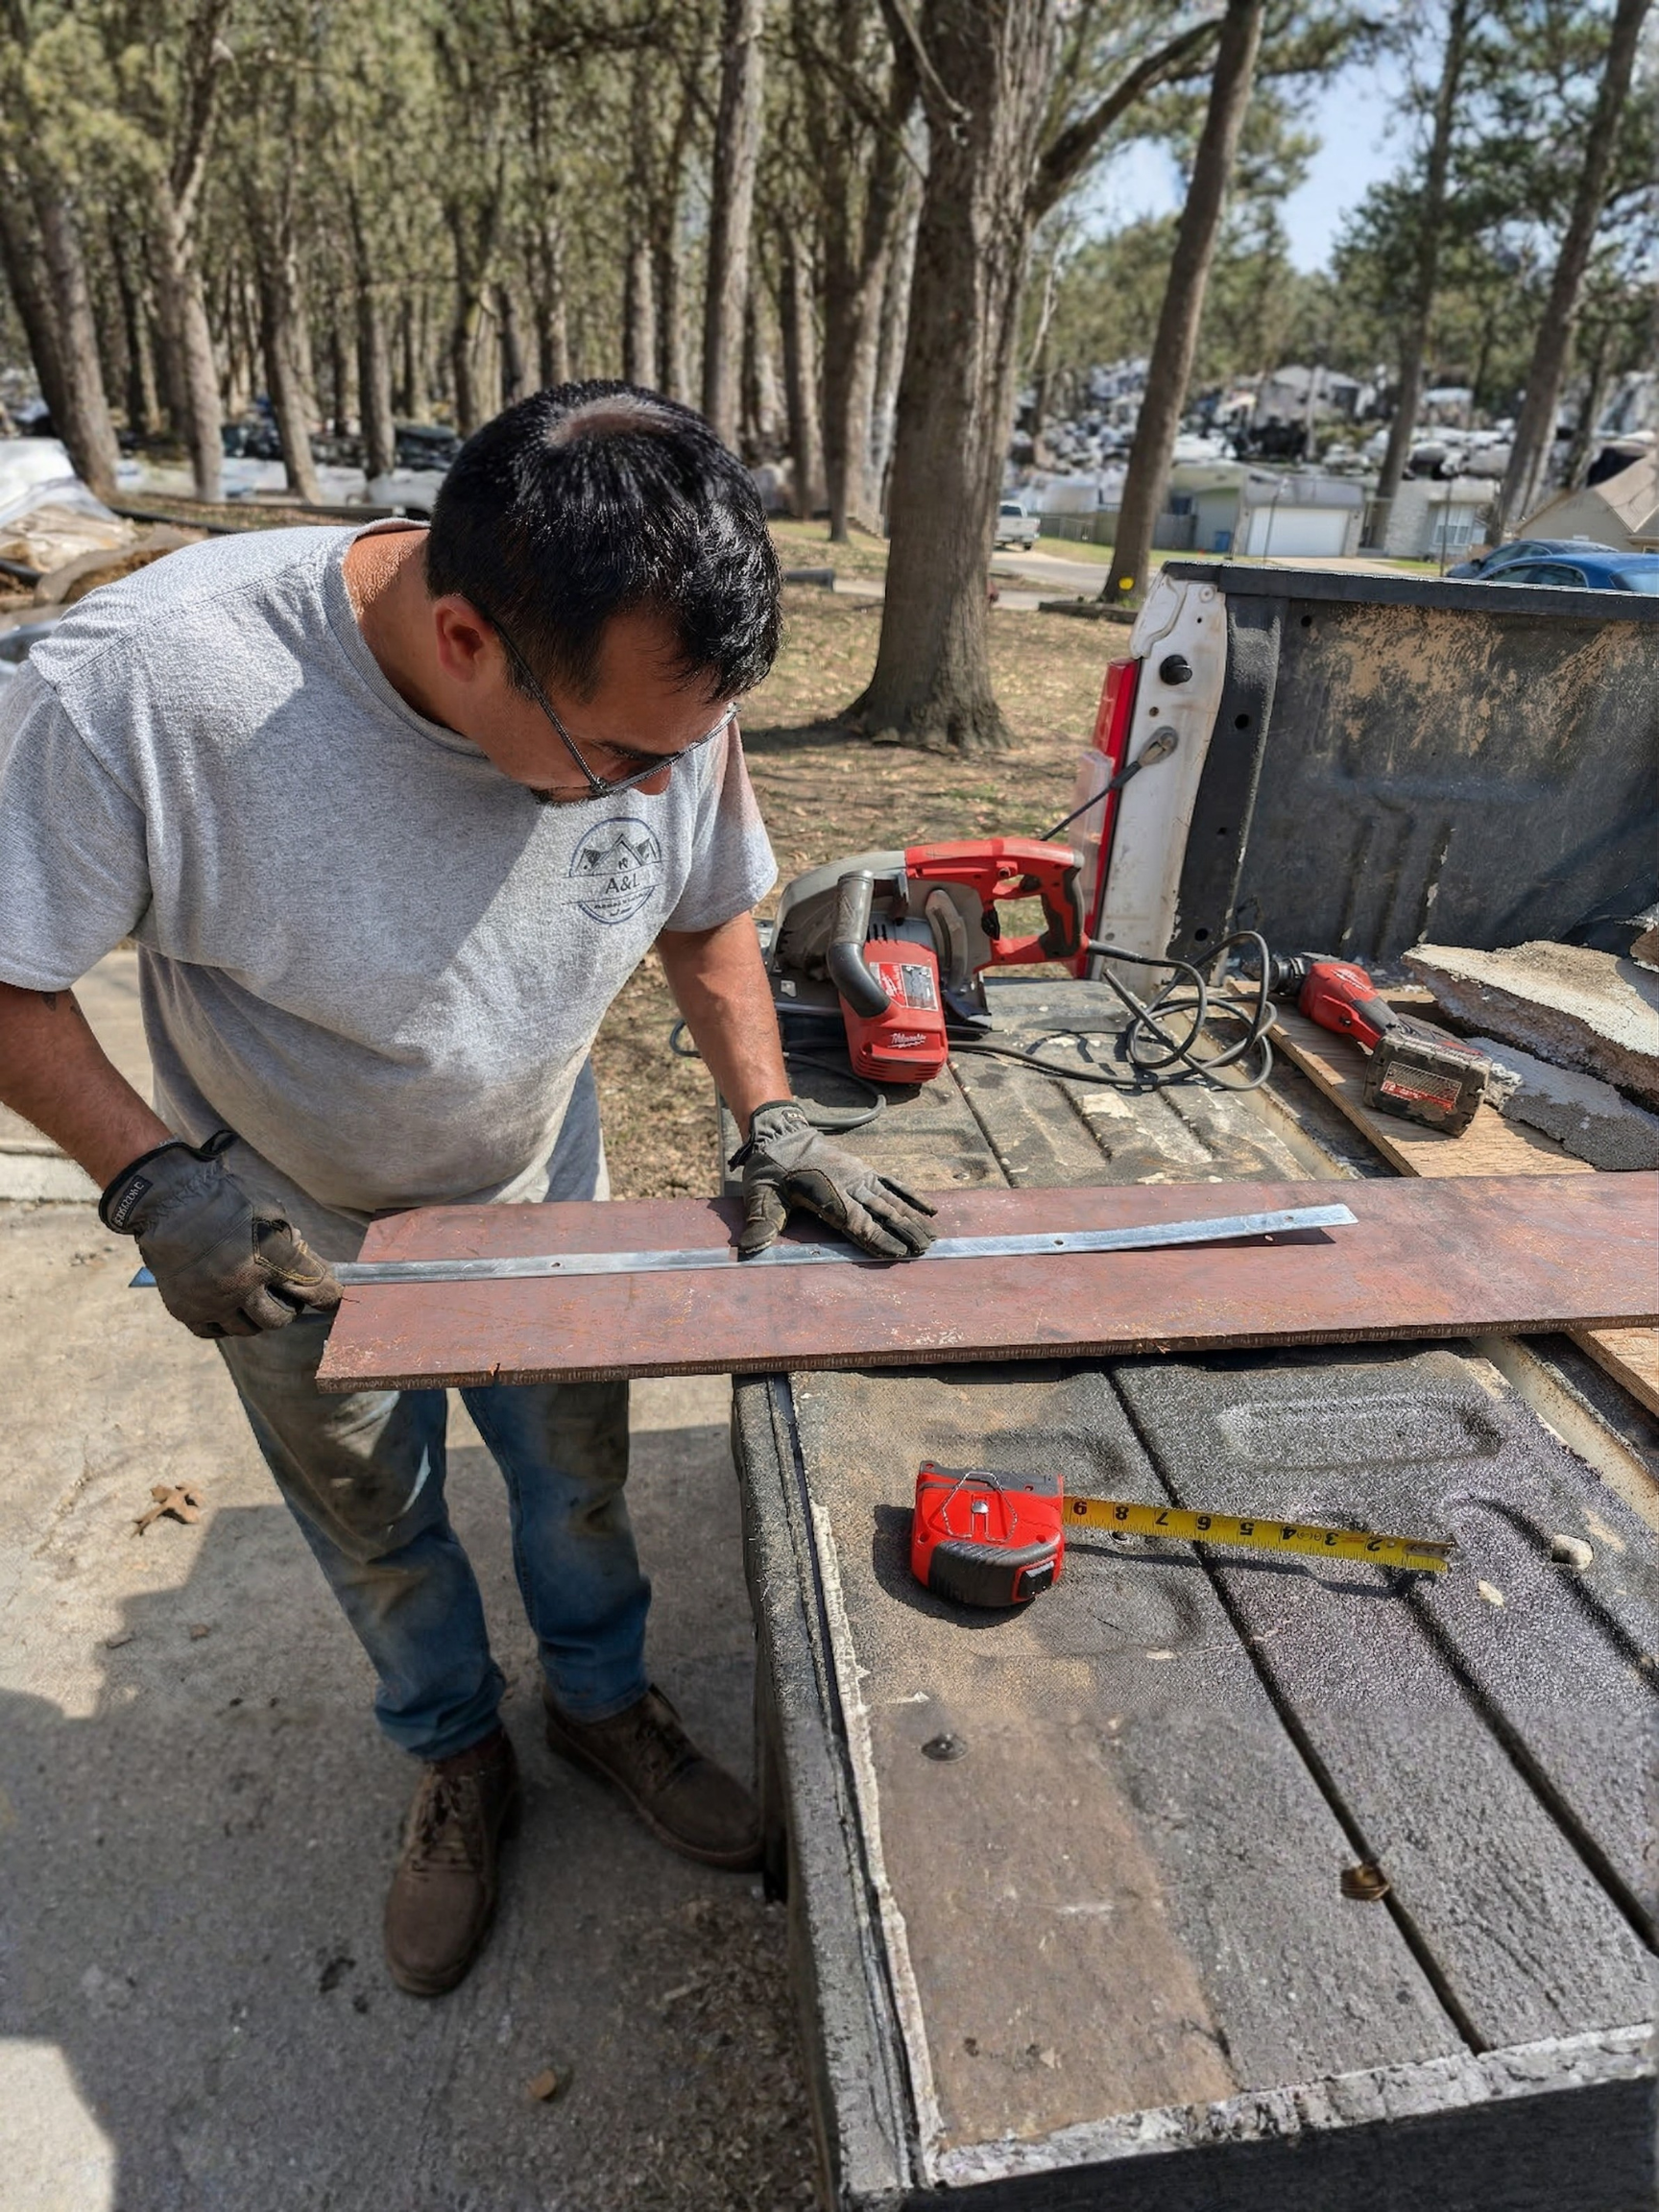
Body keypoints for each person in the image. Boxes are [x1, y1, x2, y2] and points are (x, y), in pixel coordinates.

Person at [0, 382, 935, 1997]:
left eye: (684, 752)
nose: (658, 790)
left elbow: (705, 907)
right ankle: (453, 1755)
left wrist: (771, 1121)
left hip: (537, 1185)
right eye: (625, 759)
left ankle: (599, 1706)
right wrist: (152, 1184)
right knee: (378, 1518)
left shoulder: (653, 692)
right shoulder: (147, 696)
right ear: (461, 639)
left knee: (575, 1482)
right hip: (281, 1226)